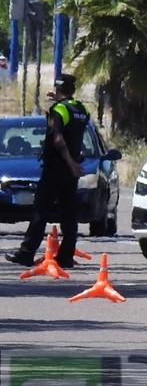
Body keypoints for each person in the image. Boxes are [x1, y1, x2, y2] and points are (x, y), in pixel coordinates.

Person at [5, 73, 89, 268]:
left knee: (40, 211)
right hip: (73, 167)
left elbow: (58, 139)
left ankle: (26, 253)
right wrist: (73, 165)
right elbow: (71, 120)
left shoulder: (58, 110)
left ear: (58, 88)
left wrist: (68, 162)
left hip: (57, 166)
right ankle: (66, 256)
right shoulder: (82, 109)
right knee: (69, 213)